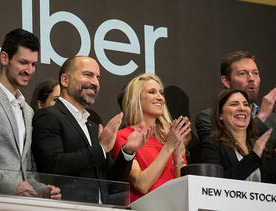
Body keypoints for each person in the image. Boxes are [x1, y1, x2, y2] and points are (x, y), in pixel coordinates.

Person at [32, 56, 147, 204]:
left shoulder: (93, 127)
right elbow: (53, 165)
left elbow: (111, 183)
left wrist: (127, 152)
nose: (95, 82)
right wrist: (101, 149)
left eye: (98, 78)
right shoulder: (48, 116)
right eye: (88, 75)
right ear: (65, 80)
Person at [0, 28, 60, 199]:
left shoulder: (28, 111)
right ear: (4, 58)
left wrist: (42, 190)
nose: (29, 70)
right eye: (23, 62)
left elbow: (25, 173)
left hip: (20, 205)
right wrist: (10, 185)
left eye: (33, 64)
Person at [112, 73, 191, 203]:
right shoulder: (123, 137)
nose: (160, 98)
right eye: (152, 92)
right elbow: (142, 184)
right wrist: (169, 147)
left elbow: (184, 188)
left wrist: (177, 155)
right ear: (136, 98)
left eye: (161, 93)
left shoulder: (169, 136)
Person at [196, 50, 276, 150]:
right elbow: (229, 152)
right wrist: (262, 116)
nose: (251, 78)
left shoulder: (273, 120)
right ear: (226, 81)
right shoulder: (209, 118)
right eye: (243, 73)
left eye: (255, 73)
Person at [201, 89, 276, 182]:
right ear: (220, 115)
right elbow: (215, 185)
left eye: (246, 104)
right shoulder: (212, 146)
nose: (242, 108)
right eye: (234, 104)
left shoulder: (264, 146)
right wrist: (254, 156)